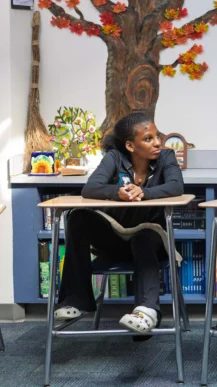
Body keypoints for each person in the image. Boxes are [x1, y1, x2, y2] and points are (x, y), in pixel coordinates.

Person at [55, 111, 184, 336]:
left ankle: (146, 312)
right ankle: (76, 300)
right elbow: (90, 188)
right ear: (130, 146)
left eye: (157, 136)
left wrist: (144, 192)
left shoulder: (166, 157)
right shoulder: (114, 158)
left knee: (142, 237)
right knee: (77, 217)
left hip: (151, 240)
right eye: (148, 139)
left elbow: (176, 187)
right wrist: (117, 193)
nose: (157, 143)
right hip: (115, 239)